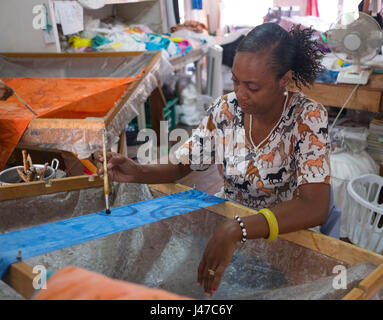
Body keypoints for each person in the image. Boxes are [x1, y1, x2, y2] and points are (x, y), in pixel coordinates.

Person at [95, 23, 340, 297]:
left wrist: (238, 228)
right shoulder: (226, 110)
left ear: (284, 79)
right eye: (235, 81)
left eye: (252, 87)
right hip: (229, 222)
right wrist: (137, 171)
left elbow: (314, 205)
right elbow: (180, 165)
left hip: (283, 235)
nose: (241, 93)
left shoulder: (307, 117)